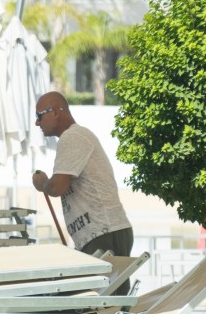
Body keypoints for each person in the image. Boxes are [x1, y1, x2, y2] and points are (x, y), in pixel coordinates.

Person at [31, 91, 134, 294]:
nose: (37, 123)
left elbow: (57, 187)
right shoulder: (75, 137)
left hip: (103, 231)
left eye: (39, 115)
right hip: (103, 231)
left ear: (56, 112)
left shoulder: (73, 137)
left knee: (105, 305)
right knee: (105, 304)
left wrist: (43, 183)